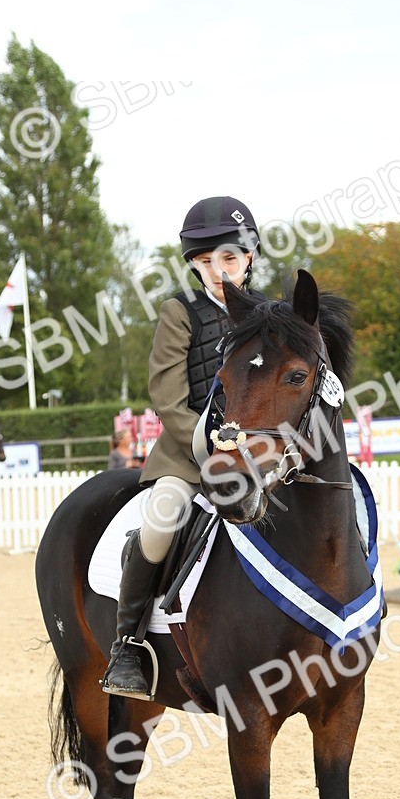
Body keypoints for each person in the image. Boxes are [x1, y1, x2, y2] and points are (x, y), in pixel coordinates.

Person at [102, 195, 259, 698]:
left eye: (230, 258)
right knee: (162, 518)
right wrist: (212, 443)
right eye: (207, 260)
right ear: (193, 264)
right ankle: (127, 644)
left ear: (249, 258)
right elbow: (167, 397)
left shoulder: (267, 316)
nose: (219, 269)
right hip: (187, 457)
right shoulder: (179, 312)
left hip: (258, 456)